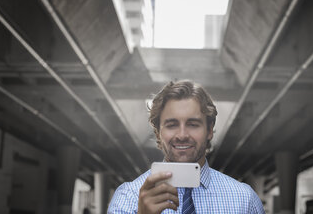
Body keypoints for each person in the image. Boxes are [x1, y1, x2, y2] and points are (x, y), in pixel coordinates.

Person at [108, 80, 265, 213]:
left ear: (209, 130)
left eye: (193, 124)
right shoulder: (128, 198)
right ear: (157, 133)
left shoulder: (245, 201)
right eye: (172, 125)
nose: (182, 135)